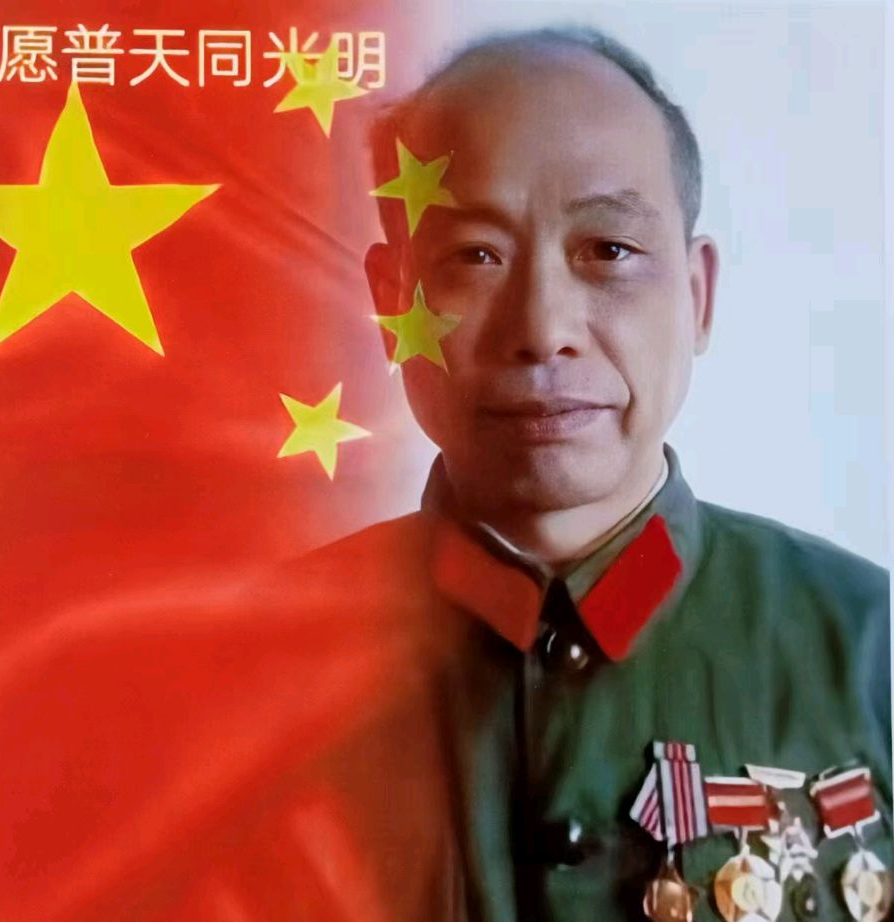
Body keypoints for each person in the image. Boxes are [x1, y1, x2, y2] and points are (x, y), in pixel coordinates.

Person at [285, 25, 892, 922]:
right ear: (391, 303)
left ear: (698, 296)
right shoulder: (248, 672)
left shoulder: (873, 653)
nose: (543, 329)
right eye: (474, 256)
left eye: (608, 251)